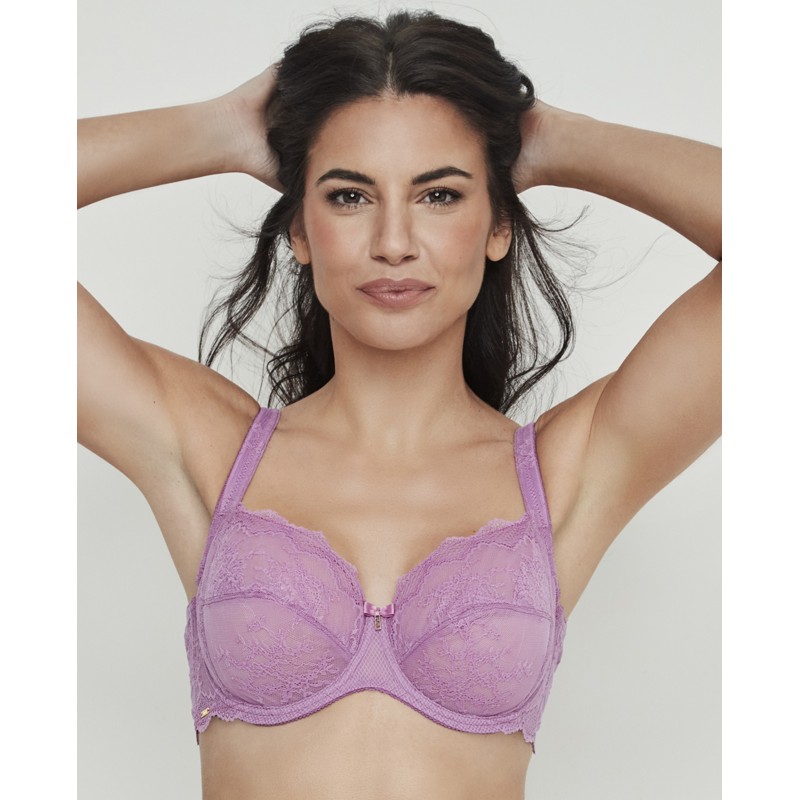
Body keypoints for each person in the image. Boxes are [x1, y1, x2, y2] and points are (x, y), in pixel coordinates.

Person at [78, 7, 720, 800]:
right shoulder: (210, 447)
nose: (393, 242)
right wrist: (221, 130)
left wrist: (551, 139)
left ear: (498, 225)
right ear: (299, 229)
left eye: (439, 194)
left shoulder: (563, 475)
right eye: (349, 196)